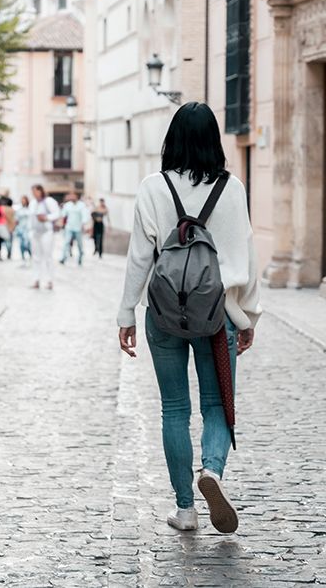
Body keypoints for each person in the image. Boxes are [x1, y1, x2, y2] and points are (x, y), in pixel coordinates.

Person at [116, 102, 260, 534]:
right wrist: (247, 316)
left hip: (163, 314)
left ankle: (185, 509)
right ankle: (212, 471)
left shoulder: (152, 187)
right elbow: (245, 256)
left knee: (174, 409)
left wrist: (126, 312)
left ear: (172, 139)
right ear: (214, 140)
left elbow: (139, 258)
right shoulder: (232, 188)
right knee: (216, 405)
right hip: (218, 316)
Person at [28, 184, 60, 289]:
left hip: (47, 232)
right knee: (36, 257)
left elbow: (57, 213)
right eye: (33, 192)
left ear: (41, 191)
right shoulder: (32, 203)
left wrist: (47, 218)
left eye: (36, 191)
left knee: (48, 256)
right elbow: (30, 217)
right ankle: (36, 279)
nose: (34, 194)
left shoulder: (49, 201)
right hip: (35, 232)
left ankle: (50, 280)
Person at [59, 191, 89, 266]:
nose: (71, 197)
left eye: (73, 196)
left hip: (78, 228)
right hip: (69, 227)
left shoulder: (81, 205)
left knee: (80, 245)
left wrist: (83, 225)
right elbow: (63, 215)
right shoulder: (67, 205)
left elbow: (85, 216)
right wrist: (61, 223)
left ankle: (80, 258)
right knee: (66, 242)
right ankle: (63, 258)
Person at [15, 195, 33, 264]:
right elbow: (16, 220)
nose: (23, 201)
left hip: (28, 229)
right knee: (21, 244)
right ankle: (23, 257)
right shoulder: (19, 210)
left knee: (27, 243)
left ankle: (30, 255)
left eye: (24, 200)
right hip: (20, 229)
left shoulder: (30, 209)